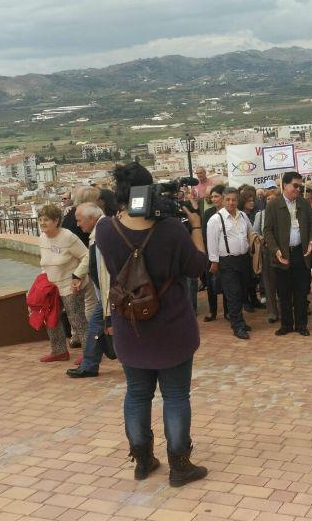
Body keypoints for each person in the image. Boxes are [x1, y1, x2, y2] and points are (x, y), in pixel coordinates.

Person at [95, 162, 208, 486]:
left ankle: (143, 460)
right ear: (150, 191)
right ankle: (180, 465)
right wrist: (195, 225)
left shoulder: (105, 230)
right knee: (175, 395)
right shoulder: (171, 229)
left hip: (130, 326)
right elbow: (198, 266)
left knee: (136, 394)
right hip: (171, 327)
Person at [263, 171, 312, 336]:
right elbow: (268, 231)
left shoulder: (304, 203)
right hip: (282, 255)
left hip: (301, 254)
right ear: (285, 185)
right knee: (284, 292)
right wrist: (276, 250)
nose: (298, 189)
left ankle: (301, 325)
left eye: (300, 186)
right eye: (295, 185)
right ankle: (286, 325)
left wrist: (311, 242)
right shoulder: (273, 204)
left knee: (301, 291)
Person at [37, 204, 90, 362]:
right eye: (40, 219)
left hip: (70, 284)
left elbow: (87, 255)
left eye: (46, 220)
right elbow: (45, 262)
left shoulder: (68, 237)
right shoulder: (42, 238)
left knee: (77, 319)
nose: (42, 223)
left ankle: (90, 353)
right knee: (51, 319)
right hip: (52, 286)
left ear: (56, 221)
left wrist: (78, 276)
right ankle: (59, 351)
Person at [67, 203, 109, 378]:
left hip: (109, 294)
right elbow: (91, 258)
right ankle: (90, 365)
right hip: (105, 294)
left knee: (95, 327)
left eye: (79, 220)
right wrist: (77, 274)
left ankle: (90, 365)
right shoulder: (97, 233)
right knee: (97, 327)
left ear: (91, 218)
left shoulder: (103, 232)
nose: (77, 225)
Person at [207, 187, 255, 340]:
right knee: (233, 294)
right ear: (223, 199)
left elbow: (250, 233)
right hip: (227, 261)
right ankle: (237, 326)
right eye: (228, 199)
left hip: (243, 259)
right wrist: (214, 261)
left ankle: (240, 321)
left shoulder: (243, 216)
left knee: (241, 292)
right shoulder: (216, 219)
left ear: (237, 200)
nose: (231, 202)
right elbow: (212, 242)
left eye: (234, 199)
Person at [253, 186, 280, 324]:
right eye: (268, 199)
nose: (270, 201)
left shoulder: (284, 213)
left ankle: (285, 308)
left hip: (282, 251)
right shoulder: (260, 215)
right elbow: (255, 232)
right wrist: (263, 239)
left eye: (273, 198)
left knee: (283, 282)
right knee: (269, 283)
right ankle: (272, 312)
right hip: (267, 252)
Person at [201, 184, 226, 322]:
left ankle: (228, 311)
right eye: (212, 197)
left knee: (227, 283)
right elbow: (205, 235)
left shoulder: (229, 212)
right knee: (210, 284)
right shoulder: (208, 213)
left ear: (223, 197)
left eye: (216, 196)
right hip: (210, 253)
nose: (214, 199)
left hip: (226, 254)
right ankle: (213, 311)